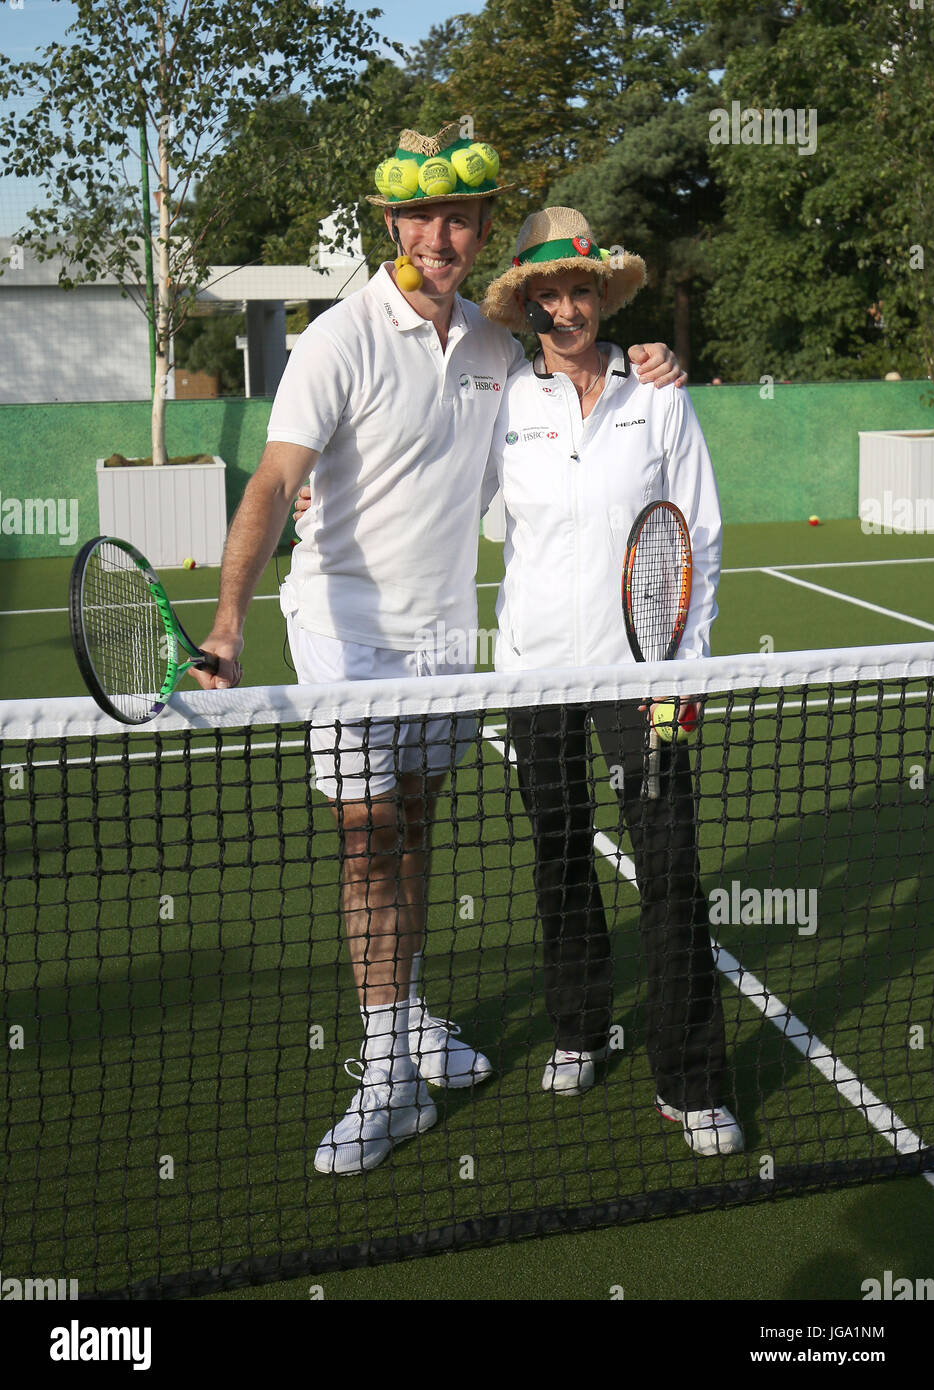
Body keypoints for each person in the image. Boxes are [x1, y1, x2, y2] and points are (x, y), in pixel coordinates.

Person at [194, 124, 685, 1177]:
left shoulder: (496, 350)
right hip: (344, 633)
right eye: (419, 217)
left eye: (458, 217)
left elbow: (566, 407)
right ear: (391, 225)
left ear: (478, 230)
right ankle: (385, 1077)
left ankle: (406, 1013)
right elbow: (275, 483)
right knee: (367, 838)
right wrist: (228, 625)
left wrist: (648, 360)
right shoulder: (337, 340)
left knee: (414, 828)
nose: (439, 234)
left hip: (445, 644)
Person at [477, 206, 742, 1156]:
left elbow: (698, 535)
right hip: (534, 673)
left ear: (602, 296)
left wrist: (687, 663)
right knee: (557, 858)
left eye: (578, 290)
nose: (564, 307)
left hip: (644, 677)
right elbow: (444, 497)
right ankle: (580, 1030)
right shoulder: (503, 402)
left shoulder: (658, 394)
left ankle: (692, 1081)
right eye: (545, 295)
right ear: (527, 308)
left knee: (670, 874)